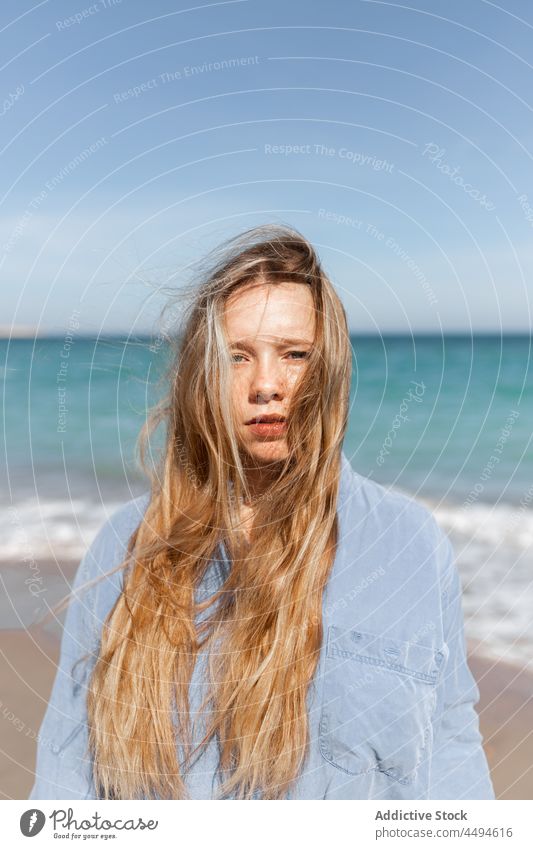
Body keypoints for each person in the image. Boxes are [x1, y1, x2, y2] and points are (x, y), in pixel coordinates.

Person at [29, 224, 495, 800]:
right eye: (238, 357)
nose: (266, 385)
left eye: (294, 355)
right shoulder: (125, 545)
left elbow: (450, 753)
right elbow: (65, 778)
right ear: (203, 377)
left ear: (327, 370)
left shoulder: (409, 544)